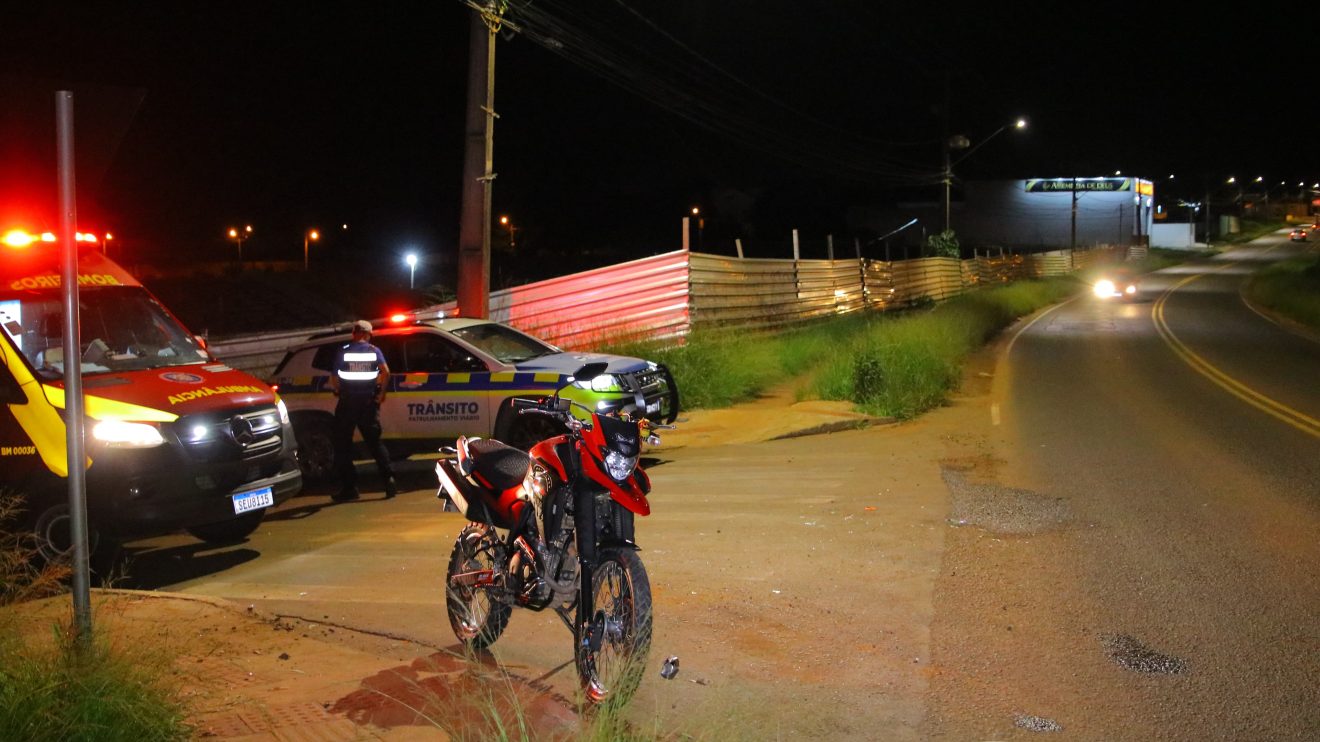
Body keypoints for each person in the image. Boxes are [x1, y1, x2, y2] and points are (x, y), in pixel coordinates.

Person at [329, 319, 397, 501]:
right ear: (368, 334)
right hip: (368, 403)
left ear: (354, 334)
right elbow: (386, 372)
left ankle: (350, 488)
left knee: (343, 445)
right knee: (375, 443)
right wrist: (380, 394)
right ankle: (389, 481)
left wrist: (337, 390)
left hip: (347, 403)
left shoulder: (343, 352)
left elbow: (334, 377)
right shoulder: (374, 351)